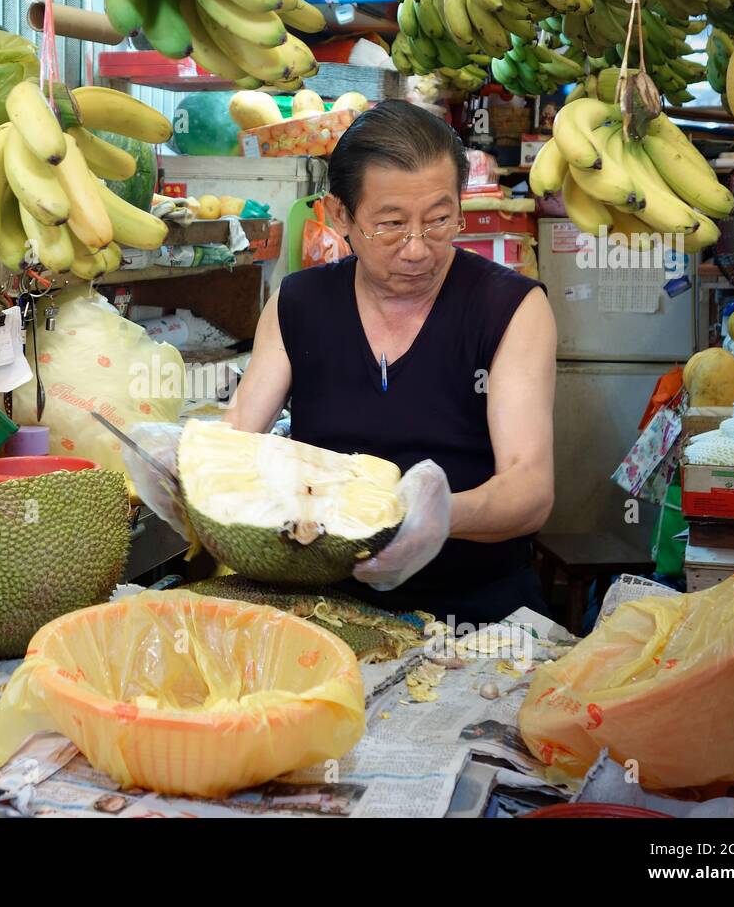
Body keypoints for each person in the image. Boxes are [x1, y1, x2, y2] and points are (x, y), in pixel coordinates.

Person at [222, 99, 557, 626]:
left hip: (479, 614)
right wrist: (185, 473)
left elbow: (529, 489)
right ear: (340, 216)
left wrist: (437, 516)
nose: (418, 249)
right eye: (391, 225)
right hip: (327, 607)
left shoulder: (508, 307)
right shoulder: (298, 303)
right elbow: (237, 438)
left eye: (440, 220)